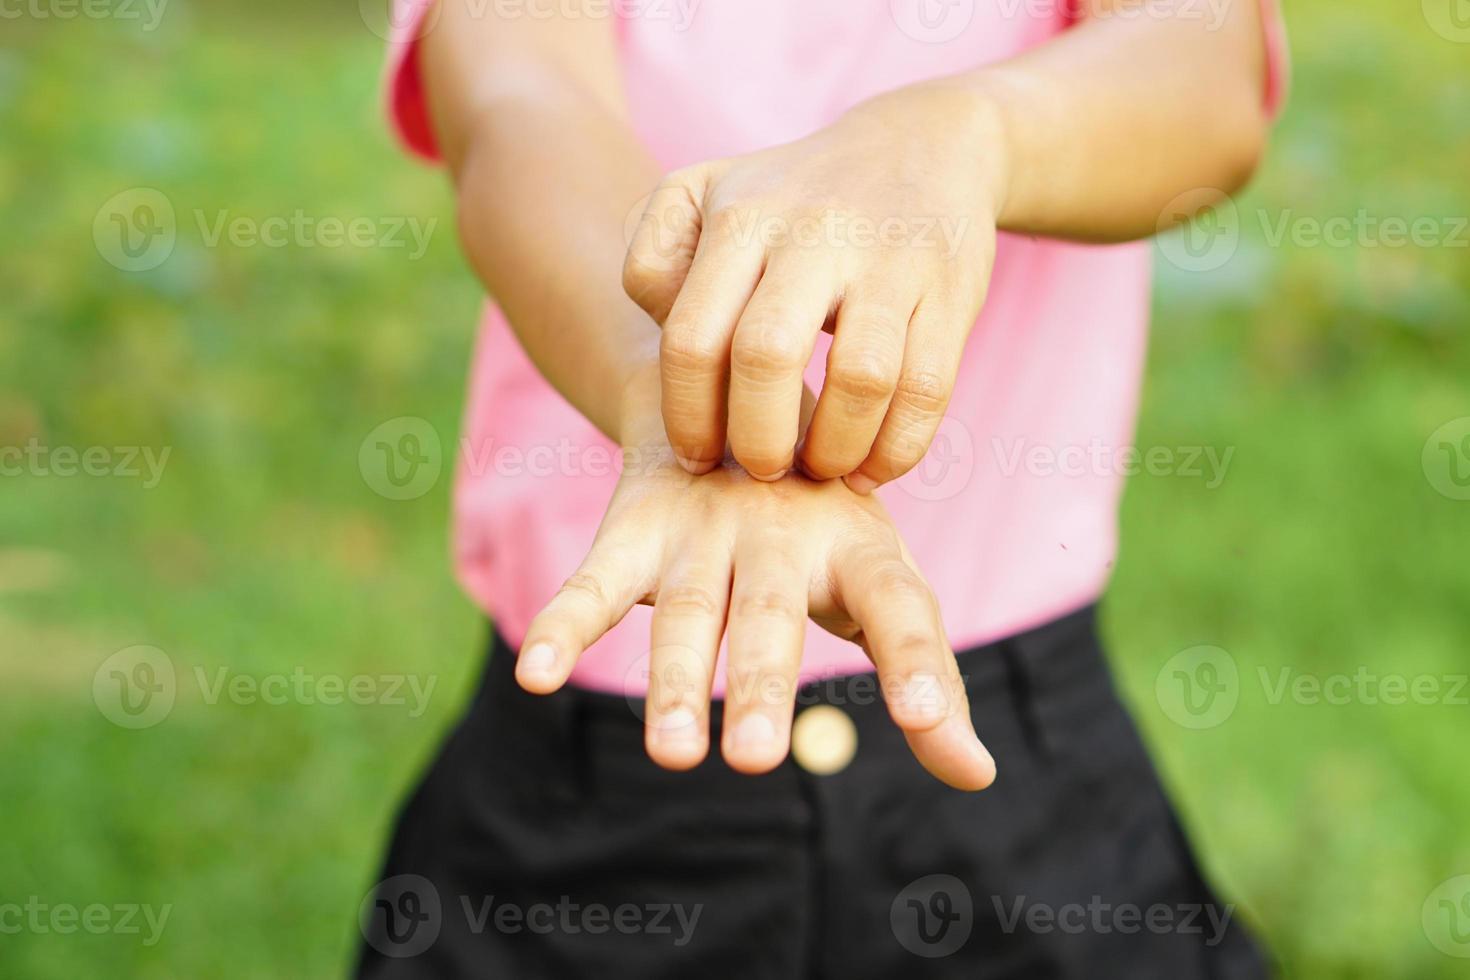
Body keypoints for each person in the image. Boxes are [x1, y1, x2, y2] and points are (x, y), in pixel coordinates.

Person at [358, 0, 1289, 975]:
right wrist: (678, 391)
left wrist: (960, 137)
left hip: (1017, 767)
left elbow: (1202, 71)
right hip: (592, 786)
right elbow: (519, 102)